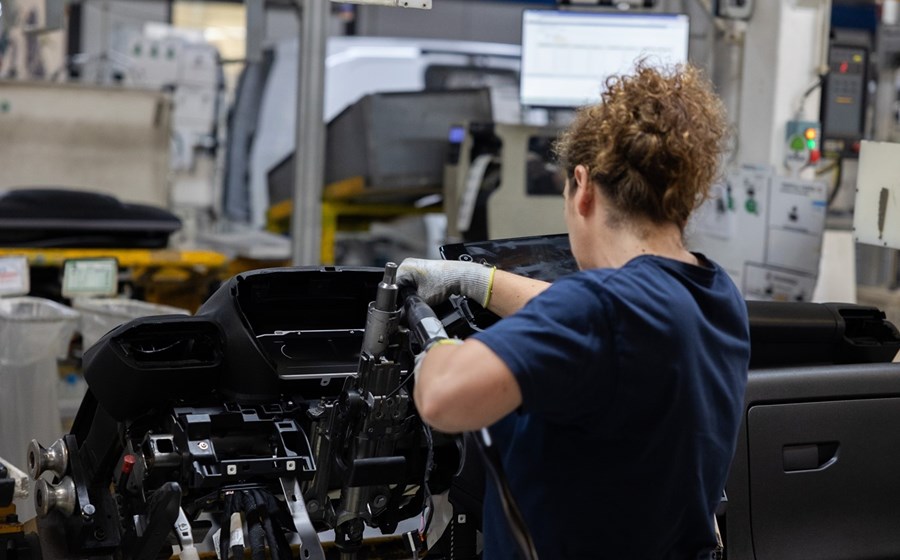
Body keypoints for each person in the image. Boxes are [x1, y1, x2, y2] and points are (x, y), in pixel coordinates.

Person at [397, 62, 750, 559]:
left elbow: (442, 400)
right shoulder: (713, 294)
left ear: (582, 186)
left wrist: (435, 351)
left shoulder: (599, 309)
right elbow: (596, 324)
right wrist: (478, 280)